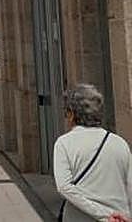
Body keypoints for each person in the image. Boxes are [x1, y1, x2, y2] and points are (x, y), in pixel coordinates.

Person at [53, 83, 132, 222]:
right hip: (121, 217)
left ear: (71, 114)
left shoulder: (64, 143)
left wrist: (104, 214)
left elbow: (64, 187)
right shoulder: (119, 142)